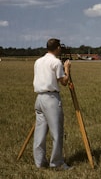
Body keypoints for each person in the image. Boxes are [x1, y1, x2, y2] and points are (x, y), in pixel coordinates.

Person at [33, 38, 72, 170]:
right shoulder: (56, 62)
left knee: (40, 133)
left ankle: (39, 162)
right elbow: (64, 81)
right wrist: (67, 68)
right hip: (51, 98)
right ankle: (57, 163)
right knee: (57, 132)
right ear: (57, 48)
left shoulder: (38, 61)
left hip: (39, 99)